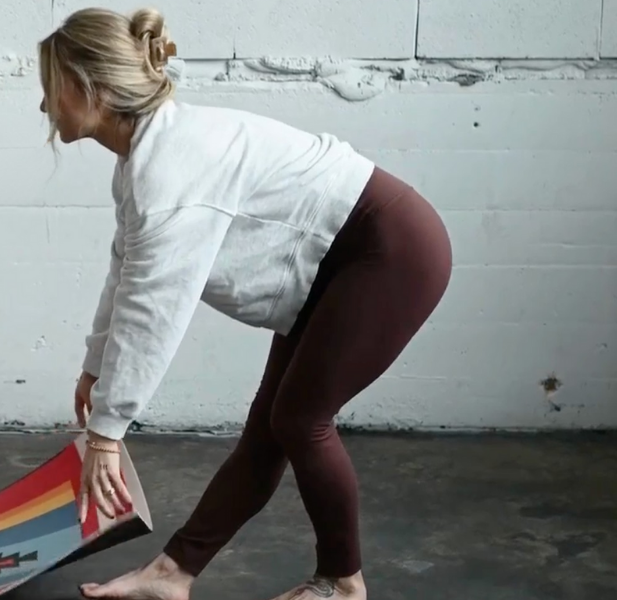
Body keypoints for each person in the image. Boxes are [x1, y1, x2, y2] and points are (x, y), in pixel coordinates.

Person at [37, 6, 453, 600]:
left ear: (90, 88)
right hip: (336, 259)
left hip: (387, 249)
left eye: (51, 88)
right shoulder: (144, 161)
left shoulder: (170, 171)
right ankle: (172, 575)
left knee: (299, 420)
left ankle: (343, 583)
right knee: (271, 428)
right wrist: (95, 366)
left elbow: (155, 310)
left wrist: (107, 431)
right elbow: (126, 273)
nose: (44, 106)